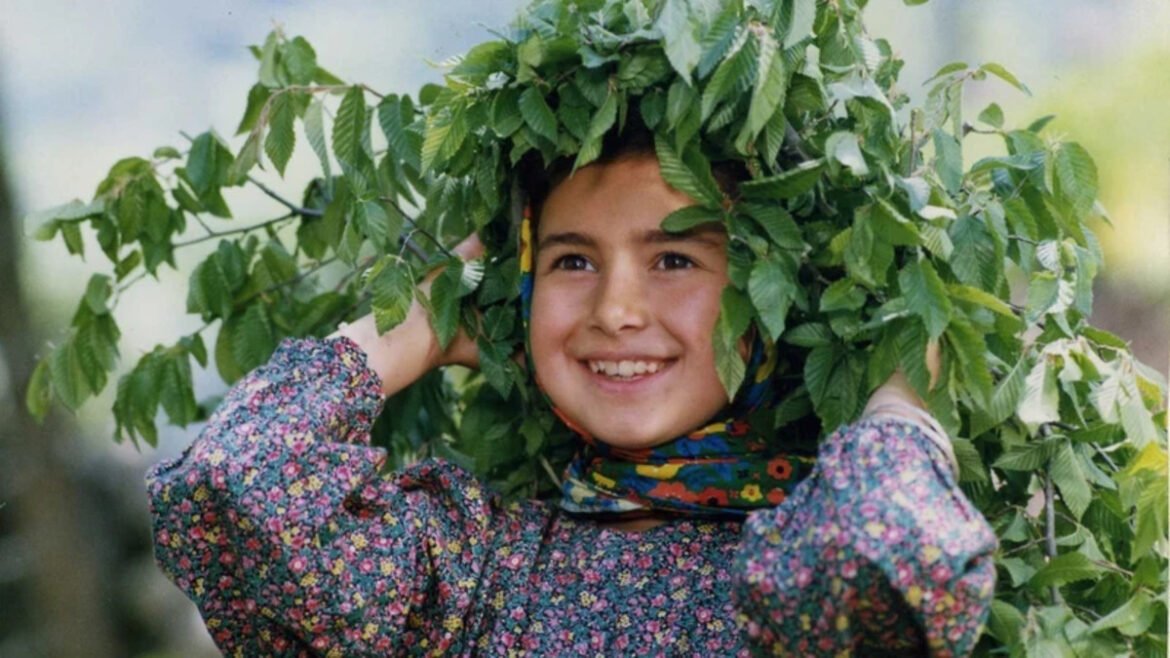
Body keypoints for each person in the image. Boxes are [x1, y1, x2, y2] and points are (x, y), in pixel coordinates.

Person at [147, 127, 998, 656]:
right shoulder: (473, 578)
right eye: (572, 261)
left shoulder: (796, 577)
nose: (616, 309)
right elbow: (234, 486)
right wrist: (419, 319)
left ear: (776, 295)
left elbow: (903, 559)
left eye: (674, 258)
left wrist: (898, 393)